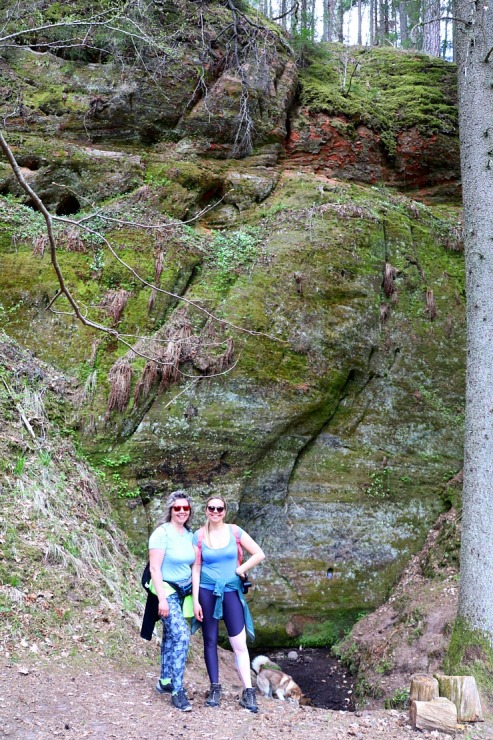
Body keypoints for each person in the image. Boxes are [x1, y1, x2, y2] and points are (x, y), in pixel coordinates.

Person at [192, 495, 265, 713]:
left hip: (231, 590)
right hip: (206, 590)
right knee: (210, 640)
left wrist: (241, 570)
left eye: (219, 508)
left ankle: (248, 692)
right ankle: (215, 688)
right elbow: (195, 568)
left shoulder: (235, 531)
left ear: (225, 511)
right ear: (205, 510)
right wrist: (195, 599)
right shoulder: (198, 536)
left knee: (239, 643)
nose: (215, 512)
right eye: (211, 508)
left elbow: (259, 553)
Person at [148, 490, 196, 712]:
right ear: (170, 510)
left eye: (185, 508)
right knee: (182, 636)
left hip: (184, 591)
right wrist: (162, 600)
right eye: (178, 508)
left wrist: (195, 599)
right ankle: (178, 691)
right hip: (166, 590)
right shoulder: (161, 533)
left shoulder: (190, 535)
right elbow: (155, 568)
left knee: (170, 636)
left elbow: (195, 566)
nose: (182, 512)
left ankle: (165, 681)